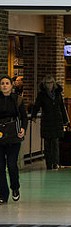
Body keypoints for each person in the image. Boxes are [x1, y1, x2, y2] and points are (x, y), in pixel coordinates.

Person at [31, 75, 70, 170]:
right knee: (47, 144)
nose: (50, 85)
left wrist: (66, 121)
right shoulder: (42, 95)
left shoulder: (58, 94)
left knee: (55, 143)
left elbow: (62, 107)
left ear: (54, 83)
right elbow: (37, 105)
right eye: (48, 83)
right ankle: (49, 163)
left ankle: (55, 162)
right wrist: (33, 115)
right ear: (44, 84)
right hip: (47, 121)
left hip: (57, 120)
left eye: (51, 83)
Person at [0, 75, 28, 204]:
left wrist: (23, 128)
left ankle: (15, 187)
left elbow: (24, 117)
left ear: (11, 86)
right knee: (0, 167)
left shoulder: (18, 100)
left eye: (7, 83)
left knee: (11, 164)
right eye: (2, 83)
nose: (4, 85)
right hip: (0, 135)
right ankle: (3, 194)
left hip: (14, 136)